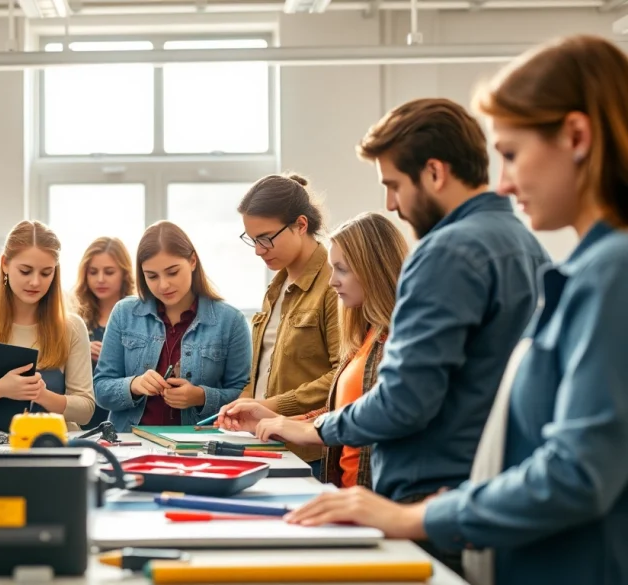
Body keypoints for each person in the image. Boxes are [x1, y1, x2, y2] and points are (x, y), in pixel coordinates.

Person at [278, 34, 628, 585]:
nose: (506, 181)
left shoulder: (605, 270)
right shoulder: (541, 250)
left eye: (511, 154)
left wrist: (414, 514)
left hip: (508, 530)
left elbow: (578, 470)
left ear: (577, 136)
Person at [218, 97, 550, 574]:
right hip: (476, 491)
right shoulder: (524, 244)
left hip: (426, 494)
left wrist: (316, 429)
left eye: (393, 185)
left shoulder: (447, 251)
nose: (392, 204)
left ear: (434, 173)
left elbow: (403, 400)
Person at [227, 173, 341, 475]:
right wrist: (243, 403)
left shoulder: (335, 283)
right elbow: (263, 368)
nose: (258, 250)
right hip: (265, 443)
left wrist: (276, 407)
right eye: (252, 240)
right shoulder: (275, 288)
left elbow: (342, 374)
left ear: (301, 225)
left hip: (310, 452)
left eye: (265, 238)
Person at [93, 221, 251, 432]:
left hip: (200, 445)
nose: (163, 285)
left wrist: (201, 397)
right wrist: (134, 385)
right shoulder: (124, 313)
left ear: (193, 261)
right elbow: (101, 389)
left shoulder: (230, 321)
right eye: (152, 276)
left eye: (172, 272)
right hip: (130, 443)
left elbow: (245, 396)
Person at [0, 220, 94, 431]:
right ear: (5, 264)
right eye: (26, 271)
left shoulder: (72, 327)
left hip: (54, 447)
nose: (35, 282)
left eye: (46, 273)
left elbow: (85, 410)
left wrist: (42, 395)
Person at [292, 212, 408, 488]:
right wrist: (279, 421)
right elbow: (344, 411)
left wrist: (294, 428)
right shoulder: (366, 336)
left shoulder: (398, 339)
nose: (332, 281)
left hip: (374, 499)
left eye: (342, 269)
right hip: (346, 493)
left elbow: (381, 418)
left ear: (373, 269)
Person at [73, 236, 135, 429]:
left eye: (109, 272)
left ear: (124, 274)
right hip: (81, 417)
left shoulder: (136, 315)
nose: (100, 279)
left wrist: (112, 357)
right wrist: (80, 351)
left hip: (122, 417)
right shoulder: (75, 315)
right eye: (93, 272)